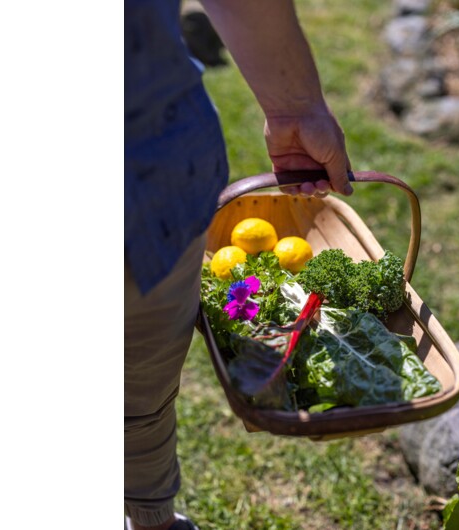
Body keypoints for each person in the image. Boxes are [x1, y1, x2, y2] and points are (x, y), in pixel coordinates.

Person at [124, 0, 353, 528]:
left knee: (141, 394)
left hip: (153, 177)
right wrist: (296, 110)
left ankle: (152, 517)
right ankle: (153, 521)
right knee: (141, 399)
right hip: (152, 169)